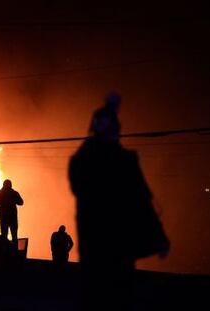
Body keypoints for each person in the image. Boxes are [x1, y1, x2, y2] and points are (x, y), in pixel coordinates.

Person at [68, 91, 169, 309]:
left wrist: (159, 237)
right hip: (99, 247)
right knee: (101, 295)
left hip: (114, 246)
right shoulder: (91, 161)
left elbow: (142, 202)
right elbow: (80, 180)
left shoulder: (122, 162)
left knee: (115, 295)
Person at [0, 179, 24, 244]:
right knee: (14, 236)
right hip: (12, 218)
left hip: (4, 218)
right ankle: (14, 251)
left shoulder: (0, 194)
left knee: (4, 236)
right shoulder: (14, 193)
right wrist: (14, 199)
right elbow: (21, 202)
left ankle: (4, 251)